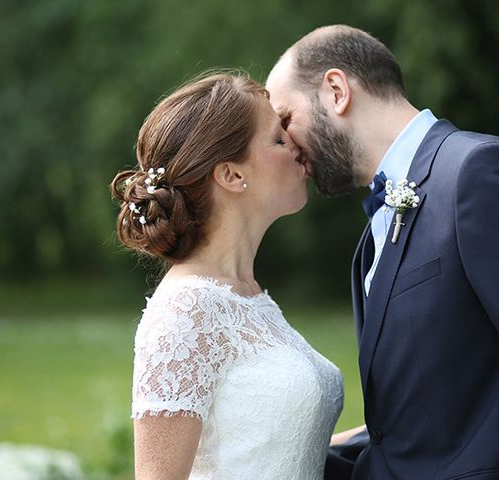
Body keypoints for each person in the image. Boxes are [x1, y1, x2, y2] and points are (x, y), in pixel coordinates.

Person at [266, 25, 499, 480]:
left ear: (336, 90)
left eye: (287, 118)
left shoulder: (473, 171)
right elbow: (427, 418)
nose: (287, 144)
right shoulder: (374, 230)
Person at [110, 72, 344, 479]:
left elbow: (272, 449)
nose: (297, 147)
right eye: (278, 139)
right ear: (231, 175)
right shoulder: (185, 311)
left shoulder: (249, 297)